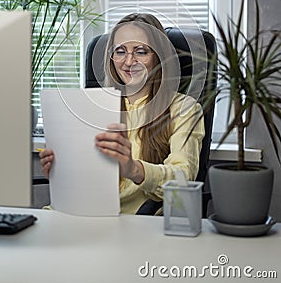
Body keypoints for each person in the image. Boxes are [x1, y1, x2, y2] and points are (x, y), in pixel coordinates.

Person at [40, 13, 205, 214]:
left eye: (141, 51)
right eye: (120, 51)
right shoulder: (93, 106)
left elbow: (183, 179)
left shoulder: (184, 108)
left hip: (130, 225)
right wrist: (59, 171)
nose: (128, 62)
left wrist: (133, 169)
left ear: (159, 57)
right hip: (73, 214)